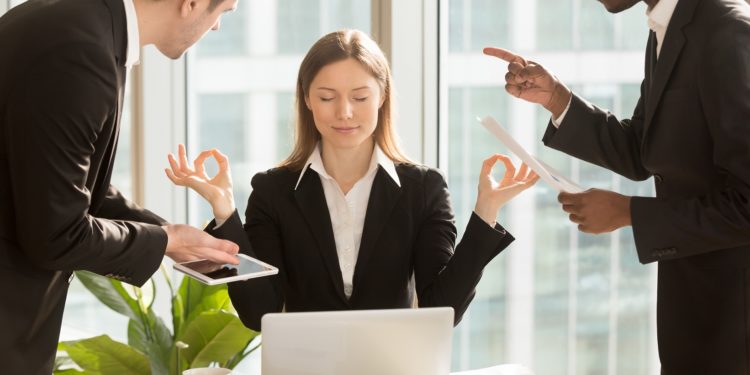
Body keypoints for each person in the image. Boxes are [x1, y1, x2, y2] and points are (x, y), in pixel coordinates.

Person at [166, 29, 539, 331]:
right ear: (307, 100)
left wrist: (486, 210)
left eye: (360, 97)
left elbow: (443, 310)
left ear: (382, 97)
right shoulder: (273, 190)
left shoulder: (423, 189)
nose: (344, 113)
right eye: (327, 97)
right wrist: (223, 208)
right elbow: (259, 313)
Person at [484, 0, 750, 373]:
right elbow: (644, 149)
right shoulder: (667, 29)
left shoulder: (727, 30)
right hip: (691, 312)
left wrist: (629, 212)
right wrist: (557, 98)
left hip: (733, 329)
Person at [0, 0, 243, 372]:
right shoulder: (83, 52)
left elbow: (61, 181)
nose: (215, 29)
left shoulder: (68, 18)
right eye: (222, 11)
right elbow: (57, 234)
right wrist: (166, 241)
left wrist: (167, 234)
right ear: (192, 3)